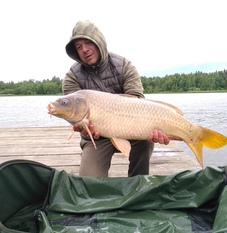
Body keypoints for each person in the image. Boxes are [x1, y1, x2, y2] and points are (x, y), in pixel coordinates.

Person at [62, 20, 170, 177]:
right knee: (89, 183)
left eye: (88, 43)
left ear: (98, 42)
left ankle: (138, 183)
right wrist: (83, 128)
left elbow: (138, 103)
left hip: (131, 129)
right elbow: (73, 114)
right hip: (96, 139)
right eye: (79, 47)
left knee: (146, 140)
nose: (84, 50)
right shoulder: (72, 77)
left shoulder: (124, 66)